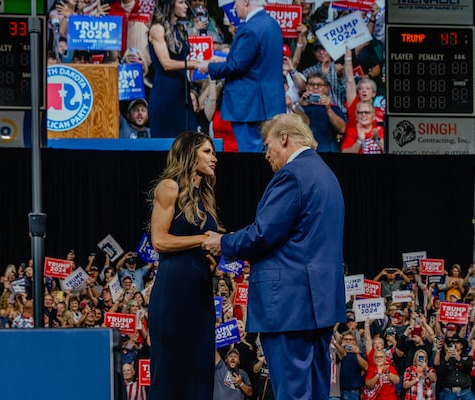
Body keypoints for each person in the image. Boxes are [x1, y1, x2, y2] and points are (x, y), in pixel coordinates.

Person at [204, 113, 345, 400]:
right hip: (320, 305)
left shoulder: (292, 175)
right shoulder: (327, 175)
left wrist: (224, 242)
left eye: (267, 146)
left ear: (284, 138)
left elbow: (263, 233)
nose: (266, 155)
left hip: (288, 306)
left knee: (291, 393)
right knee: (316, 391)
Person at [148, 131, 221, 399]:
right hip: (173, 294)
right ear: (190, 154)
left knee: (200, 375)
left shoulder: (204, 195)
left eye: (213, 152)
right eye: (207, 152)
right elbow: (159, 240)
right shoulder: (169, 187)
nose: (214, 158)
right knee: (170, 377)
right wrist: (203, 240)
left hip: (200, 294)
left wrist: (214, 258)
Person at [196, 0, 285, 152]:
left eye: (235, 2)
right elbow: (257, 61)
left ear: (246, 1)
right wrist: (225, 60)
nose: (234, 6)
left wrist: (209, 67)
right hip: (269, 102)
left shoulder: (250, 28)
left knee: (250, 154)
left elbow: (236, 66)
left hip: (249, 105)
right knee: (268, 154)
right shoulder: (272, 24)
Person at [148, 0, 199, 137]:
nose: (186, 6)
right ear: (169, 4)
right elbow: (166, 63)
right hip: (165, 92)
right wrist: (198, 64)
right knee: (166, 141)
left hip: (182, 92)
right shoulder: (157, 29)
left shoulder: (179, 29)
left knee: (189, 139)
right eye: (181, 2)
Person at [298, 72, 346, 152]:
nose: (315, 87)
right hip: (305, 152)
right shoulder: (299, 106)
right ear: (306, 87)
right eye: (311, 84)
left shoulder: (334, 108)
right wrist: (299, 106)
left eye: (319, 85)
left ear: (326, 89)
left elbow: (342, 129)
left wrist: (328, 109)